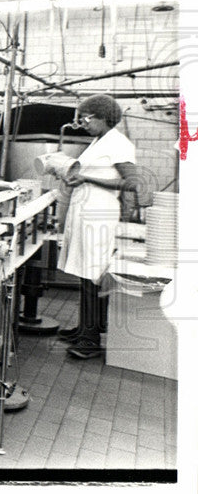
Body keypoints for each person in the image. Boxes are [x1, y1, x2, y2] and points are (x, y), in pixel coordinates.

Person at [56, 94, 142, 359]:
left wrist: (87, 179)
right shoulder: (99, 140)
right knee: (85, 274)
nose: (84, 122)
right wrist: (76, 179)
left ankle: (90, 340)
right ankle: (85, 328)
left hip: (100, 216)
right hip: (86, 215)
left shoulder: (119, 143)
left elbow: (132, 182)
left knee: (92, 275)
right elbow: (93, 174)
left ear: (103, 117)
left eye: (87, 117)